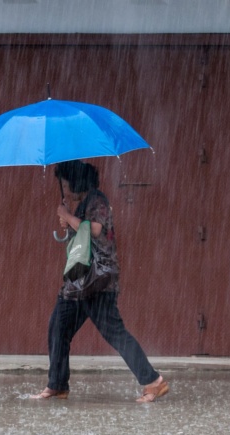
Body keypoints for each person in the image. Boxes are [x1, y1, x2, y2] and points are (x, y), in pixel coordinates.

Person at [31, 161, 169, 403]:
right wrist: (68, 222)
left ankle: (153, 381)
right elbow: (82, 235)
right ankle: (57, 385)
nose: (64, 187)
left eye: (65, 182)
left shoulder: (98, 200)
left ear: (76, 181)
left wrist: (66, 215)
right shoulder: (85, 203)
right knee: (58, 328)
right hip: (78, 285)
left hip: (96, 282)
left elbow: (94, 230)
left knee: (115, 333)